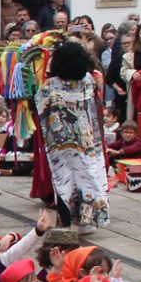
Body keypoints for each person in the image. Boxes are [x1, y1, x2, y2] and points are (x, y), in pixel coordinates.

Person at [34, 37, 110, 228]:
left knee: (63, 180)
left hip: (60, 142)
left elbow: (38, 106)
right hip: (86, 139)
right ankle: (87, 218)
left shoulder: (50, 85)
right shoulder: (88, 81)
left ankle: (65, 220)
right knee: (87, 177)